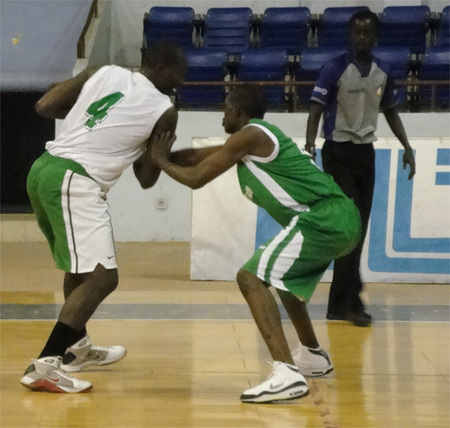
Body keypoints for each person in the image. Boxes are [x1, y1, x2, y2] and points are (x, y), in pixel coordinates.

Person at [151, 85, 361, 404]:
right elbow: (195, 157)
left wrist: (159, 161)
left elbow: (196, 178)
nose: (222, 113)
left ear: (237, 111)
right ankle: (311, 355)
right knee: (285, 284)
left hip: (324, 217)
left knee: (250, 277)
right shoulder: (245, 144)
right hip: (340, 220)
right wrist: (154, 157)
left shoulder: (251, 134)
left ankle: (286, 374)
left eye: (225, 107)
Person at [20, 41, 187, 393]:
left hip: (44, 170)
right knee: (102, 277)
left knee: (80, 269)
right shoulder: (164, 109)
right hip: (74, 179)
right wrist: (159, 154)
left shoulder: (103, 71)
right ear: (160, 68)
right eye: (178, 73)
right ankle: (47, 363)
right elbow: (145, 179)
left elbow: (44, 105)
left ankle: (75, 349)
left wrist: (89, 115)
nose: (181, 81)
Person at [305, 10, 416, 327]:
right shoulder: (335, 68)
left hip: (365, 154)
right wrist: (310, 145)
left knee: (359, 230)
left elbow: (391, 111)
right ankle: (348, 304)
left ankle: (343, 303)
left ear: (375, 37)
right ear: (350, 35)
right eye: (357, 33)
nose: (362, 38)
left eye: (367, 33)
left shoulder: (383, 71)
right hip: (337, 152)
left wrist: (407, 147)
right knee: (349, 228)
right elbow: (315, 109)